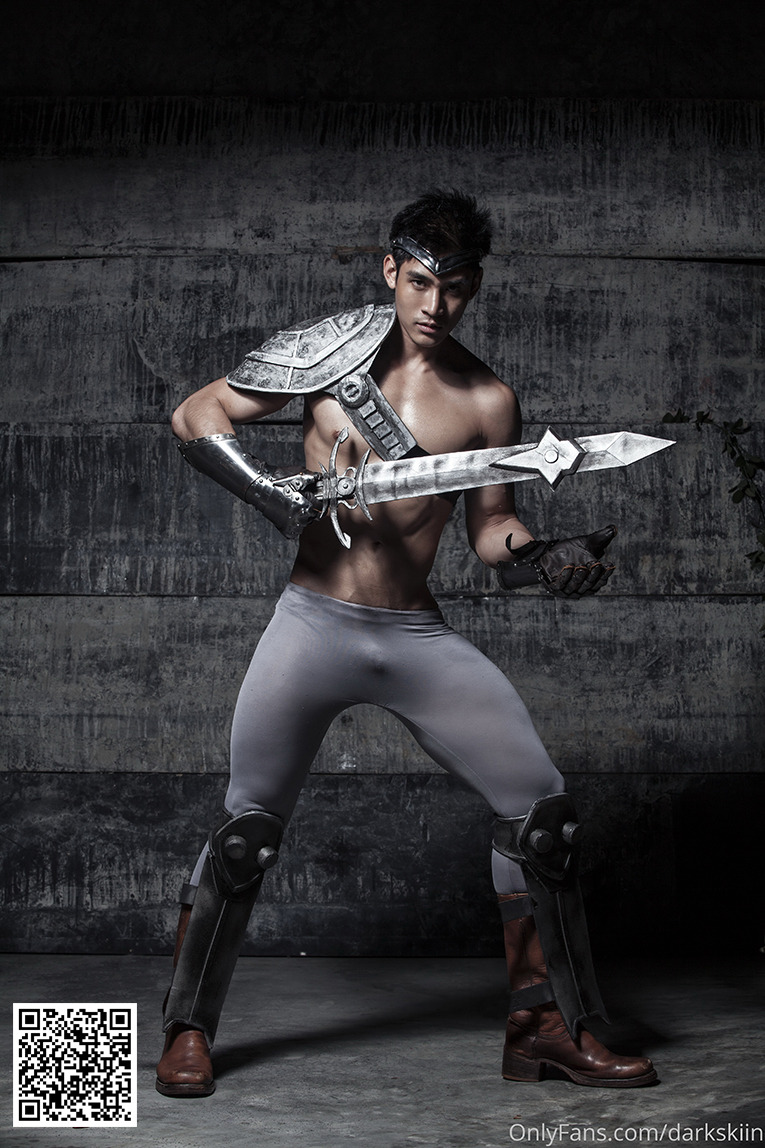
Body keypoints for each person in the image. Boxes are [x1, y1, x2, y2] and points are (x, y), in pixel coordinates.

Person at [156, 189, 657, 1097]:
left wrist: (544, 556)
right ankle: (185, 1030)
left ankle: (545, 1029)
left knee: (540, 817)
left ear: (475, 287)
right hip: (313, 624)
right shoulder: (328, 357)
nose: (434, 304)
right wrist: (268, 492)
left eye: (454, 287)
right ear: (390, 270)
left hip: (413, 633)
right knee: (246, 834)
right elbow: (196, 413)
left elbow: (491, 532)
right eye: (420, 281)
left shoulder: (488, 400)